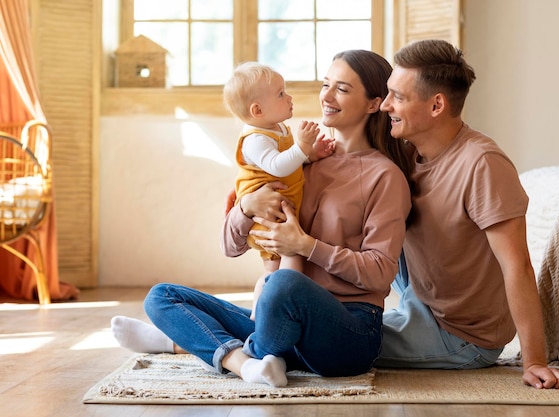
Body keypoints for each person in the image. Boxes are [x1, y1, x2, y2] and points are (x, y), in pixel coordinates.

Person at [110, 49, 415, 387]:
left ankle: (188, 344)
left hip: (349, 331)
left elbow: (380, 272)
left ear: (374, 103)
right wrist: (246, 206)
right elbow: (230, 245)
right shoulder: (292, 160)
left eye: (342, 89)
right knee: (162, 296)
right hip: (282, 320)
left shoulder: (385, 177)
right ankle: (248, 362)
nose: (326, 96)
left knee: (282, 284)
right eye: (326, 84)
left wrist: (306, 245)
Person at [372, 39, 559, 389]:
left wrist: (534, 361)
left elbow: (518, 266)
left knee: (335, 343)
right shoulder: (406, 152)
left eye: (398, 97)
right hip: (419, 296)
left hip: (462, 336)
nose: (386, 105)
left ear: (437, 105)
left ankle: (246, 336)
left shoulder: (483, 164)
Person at [223, 62, 335, 319]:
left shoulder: (275, 129)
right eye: (281, 94)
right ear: (257, 110)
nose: (289, 98)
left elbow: (287, 162)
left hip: (278, 210)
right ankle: (261, 321)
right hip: (266, 218)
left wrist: (310, 154)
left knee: (279, 272)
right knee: (281, 270)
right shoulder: (255, 139)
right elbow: (278, 166)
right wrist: (303, 146)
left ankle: (261, 320)